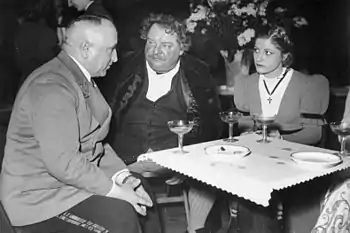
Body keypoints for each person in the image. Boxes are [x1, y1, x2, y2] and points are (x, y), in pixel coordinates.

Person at [0, 15, 156, 233]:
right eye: (110, 50)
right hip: (39, 200)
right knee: (120, 216)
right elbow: (63, 162)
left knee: (142, 192)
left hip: (68, 187)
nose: (116, 58)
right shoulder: (51, 87)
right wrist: (116, 191)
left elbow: (94, 142)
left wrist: (123, 177)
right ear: (85, 49)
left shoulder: (76, 77)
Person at [106, 13, 223, 233]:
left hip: (176, 159)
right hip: (124, 158)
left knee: (210, 174)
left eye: (166, 45)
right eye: (151, 42)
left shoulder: (197, 73)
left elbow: (210, 128)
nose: (155, 50)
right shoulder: (123, 68)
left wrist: (183, 165)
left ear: (182, 49)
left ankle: (196, 229)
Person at [234, 26, 329, 146]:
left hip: (295, 156)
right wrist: (247, 134)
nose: (259, 58)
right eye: (256, 50)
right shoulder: (247, 83)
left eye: (268, 53)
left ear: (284, 56)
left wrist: (283, 139)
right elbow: (244, 126)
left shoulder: (307, 84)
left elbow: (314, 134)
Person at [14, 0, 61, 83]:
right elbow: (49, 61)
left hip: (24, 81)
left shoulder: (20, 30)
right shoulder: (46, 33)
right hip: (43, 81)